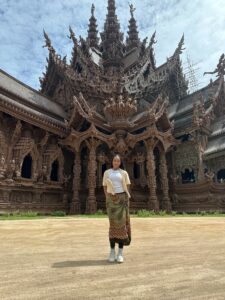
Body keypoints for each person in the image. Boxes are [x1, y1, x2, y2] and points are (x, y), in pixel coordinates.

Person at [102, 154, 132, 263]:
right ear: (112, 161)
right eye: (114, 160)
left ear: (120, 162)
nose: (116, 162)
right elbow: (105, 186)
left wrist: (125, 199)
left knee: (122, 227)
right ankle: (111, 252)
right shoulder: (107, 172)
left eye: (118, 161)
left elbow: (127, 186)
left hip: (122, 200)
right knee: (112, 226)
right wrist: (107, 197)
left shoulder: (123, 173)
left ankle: (120, 253)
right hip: (111, 200)